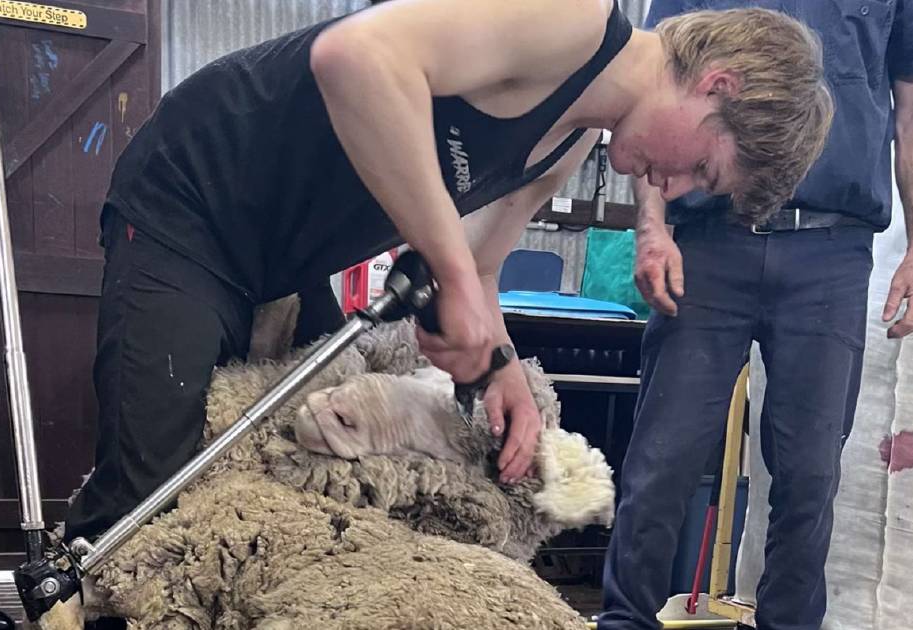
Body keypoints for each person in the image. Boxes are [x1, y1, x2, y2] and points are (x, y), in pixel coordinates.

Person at [64, 0, 832, 549]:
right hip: (190, 199)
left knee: (313, 478)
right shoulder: (572, 21)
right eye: (702, 165)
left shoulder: (567, 139)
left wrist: (502, 372)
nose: (677, 186)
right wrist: (456, 279)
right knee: (148, 500)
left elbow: (481, 265)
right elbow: (356, 56)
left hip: (281, 258)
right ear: (717, 85)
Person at [599, 1, 913, 629]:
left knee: (809, 472)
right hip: (708, 239)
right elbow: (658, 83)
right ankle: (626, 621)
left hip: (833, 248)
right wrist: (652, 225)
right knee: (663, 457)